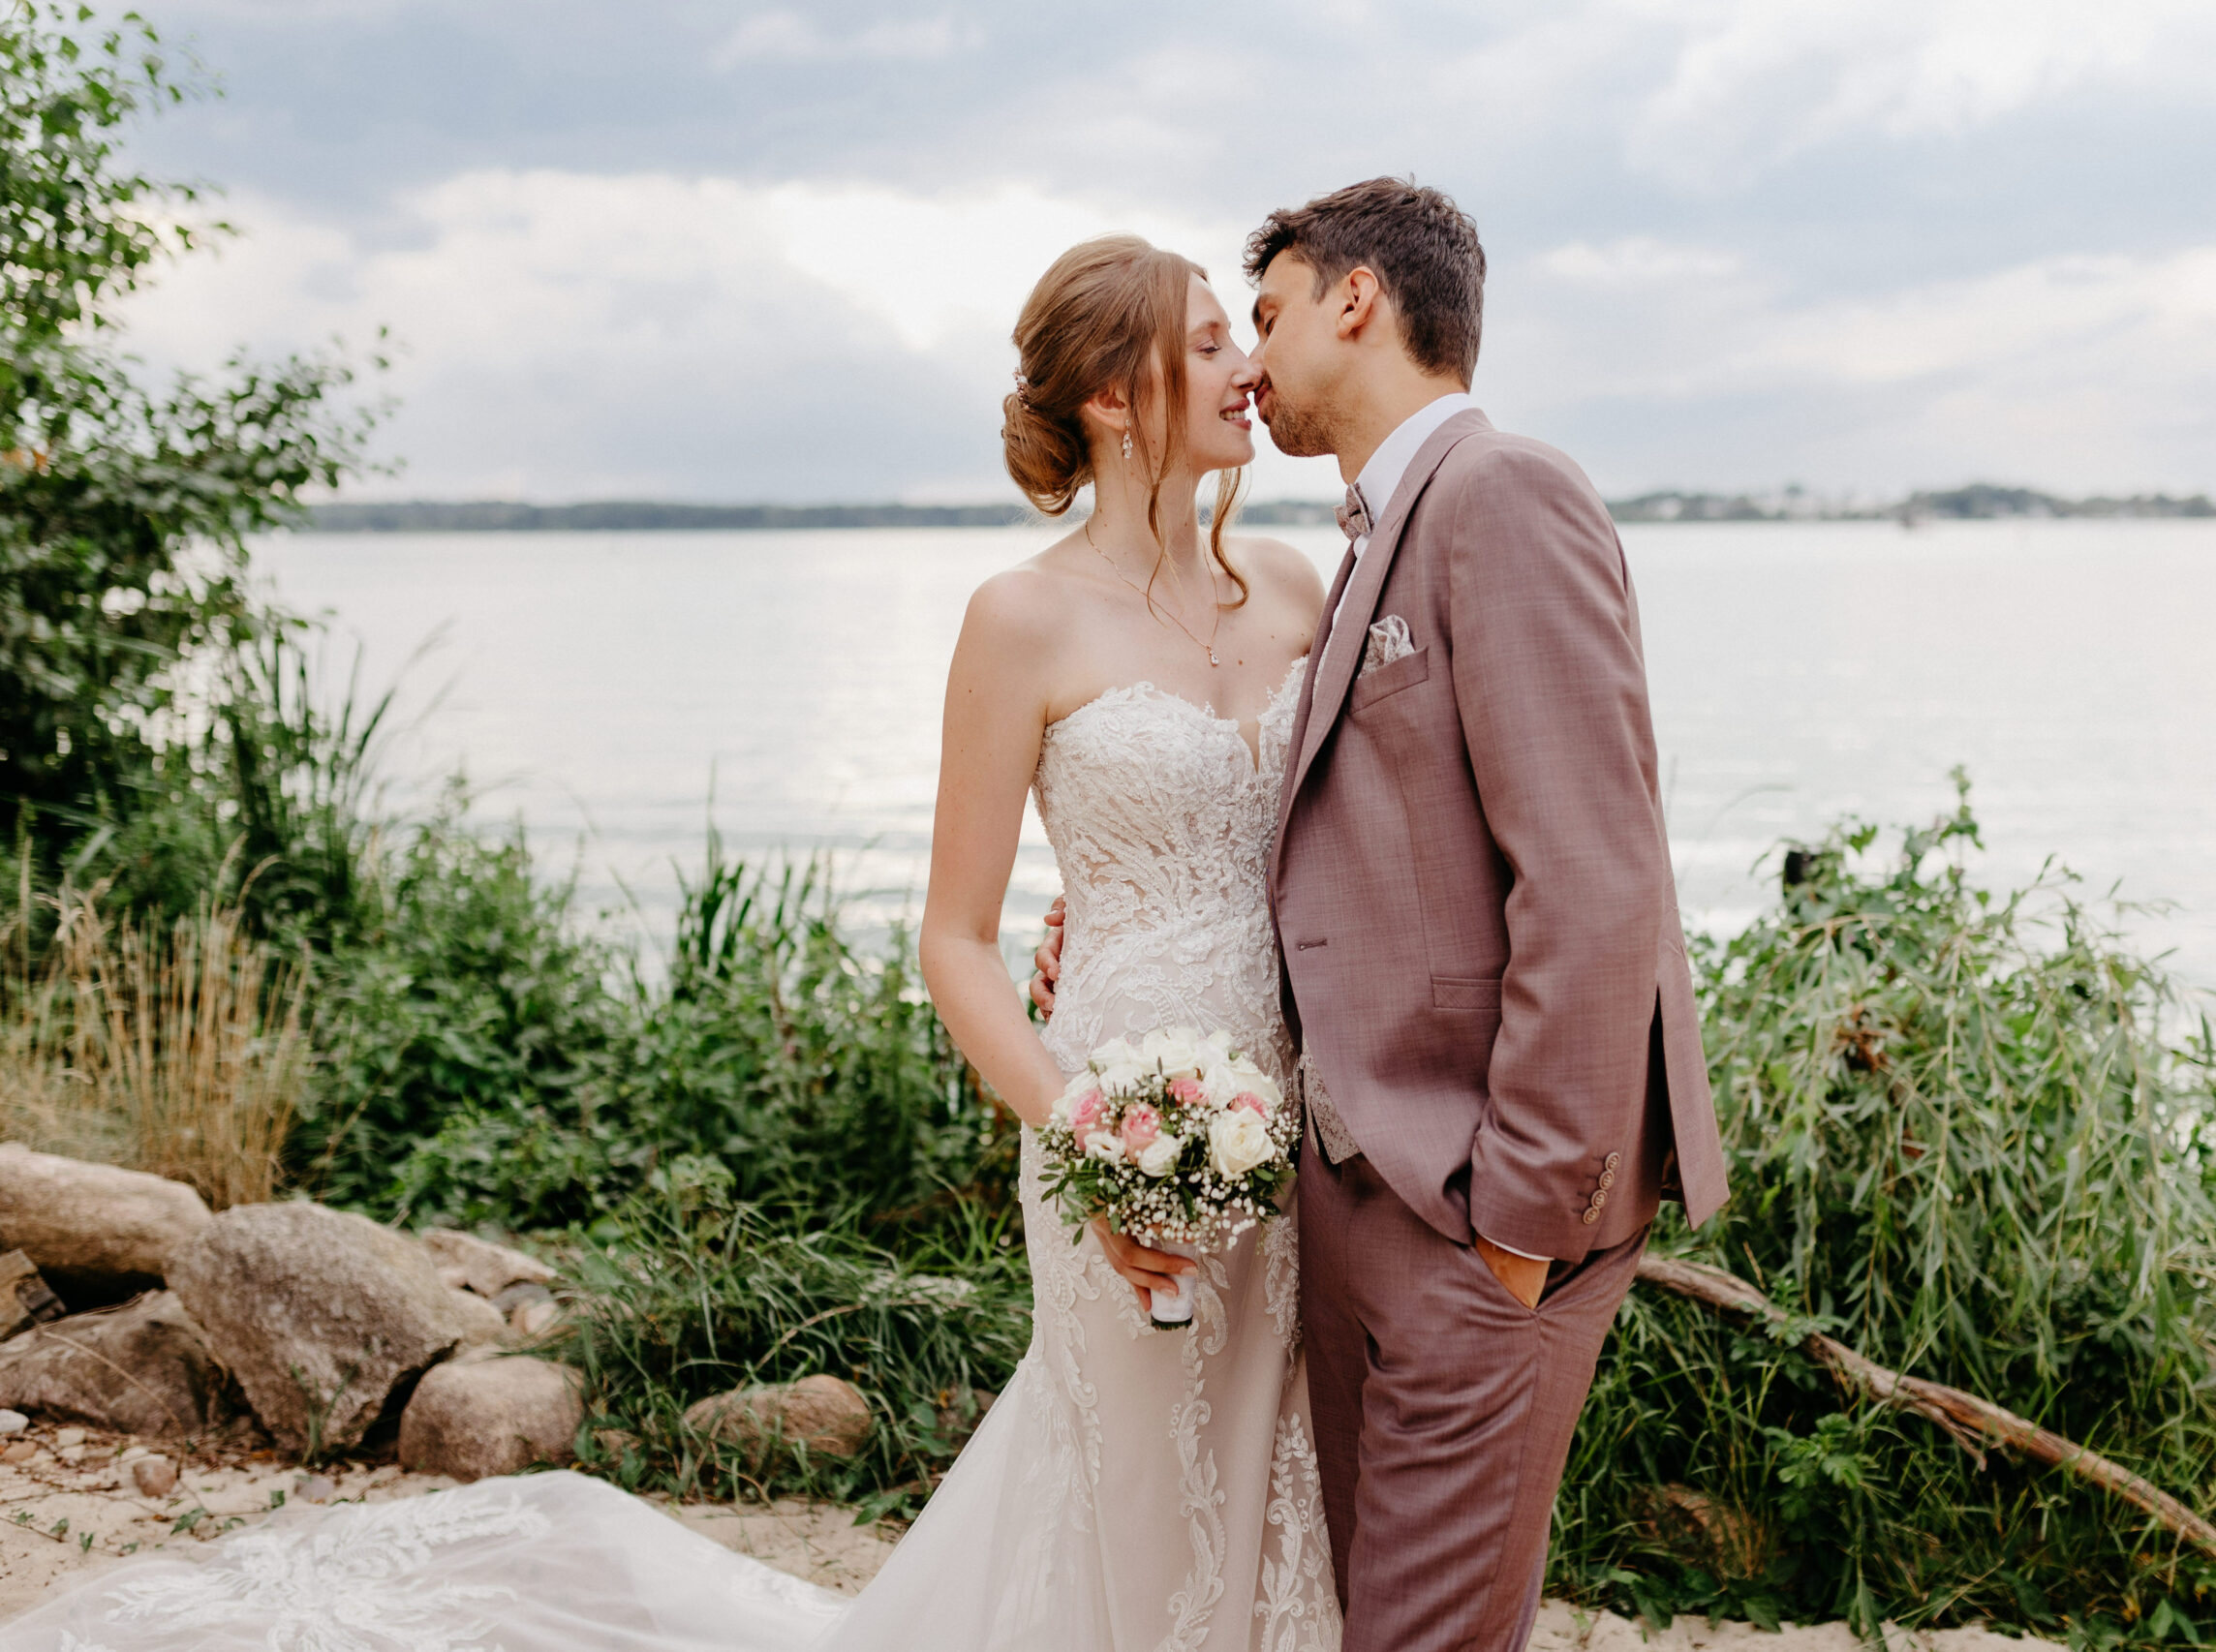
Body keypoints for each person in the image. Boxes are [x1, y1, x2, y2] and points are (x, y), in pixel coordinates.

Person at [0, 233, 1343, 1652]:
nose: (1245, 366)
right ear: (1113, 397)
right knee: (1139, 1475)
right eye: (1205, 342)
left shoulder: (1295, 585)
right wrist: (1086, 1134)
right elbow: (953, 938)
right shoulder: (1019, 619)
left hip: (1296, 1108)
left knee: (1285, 1461)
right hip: (1112, 1114)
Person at [1035, 177, 1730, 1652]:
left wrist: (1519, 1228)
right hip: (1356, 1204)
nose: (1252, 361)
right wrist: (1102, 898)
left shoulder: (1502, 493)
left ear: (1358, 299)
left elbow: (1598, 880)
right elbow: (1341, 828)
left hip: (1477, 1219)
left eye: (1267, 316)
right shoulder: (1358, 543)